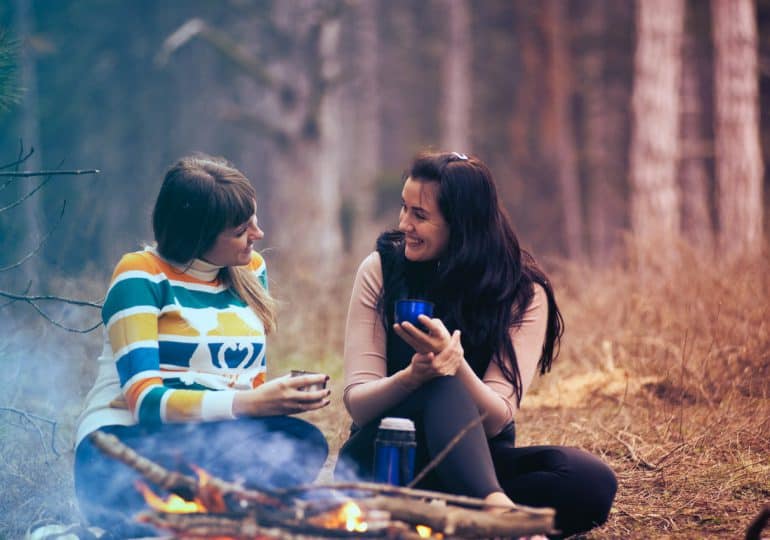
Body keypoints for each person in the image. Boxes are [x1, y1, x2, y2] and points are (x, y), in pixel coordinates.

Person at [334, 151, 617, 538]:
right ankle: (499, 517)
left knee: (589, 480)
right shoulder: (381, 270)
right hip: (385, 459)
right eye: (404, 208)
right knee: (437, 382)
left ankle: (465, 516)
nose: (404, 224)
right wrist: (414, 376)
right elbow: (359, 404)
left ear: (462, 224)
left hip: (475, 461)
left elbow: (498, 416)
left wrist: (456, 364)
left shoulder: (523, 292)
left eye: (420, 215)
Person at [74, 154, 331, 536]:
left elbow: (246, 382)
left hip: (208, 442)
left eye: (254, 220)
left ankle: (204, 518)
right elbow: (145, 403)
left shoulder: (250, 270)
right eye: (242, 229)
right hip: (124, 446)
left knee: (302, 440)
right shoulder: (140, 274)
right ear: (197, 235)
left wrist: (273, 401)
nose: (257, 234)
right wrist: (251, 404)